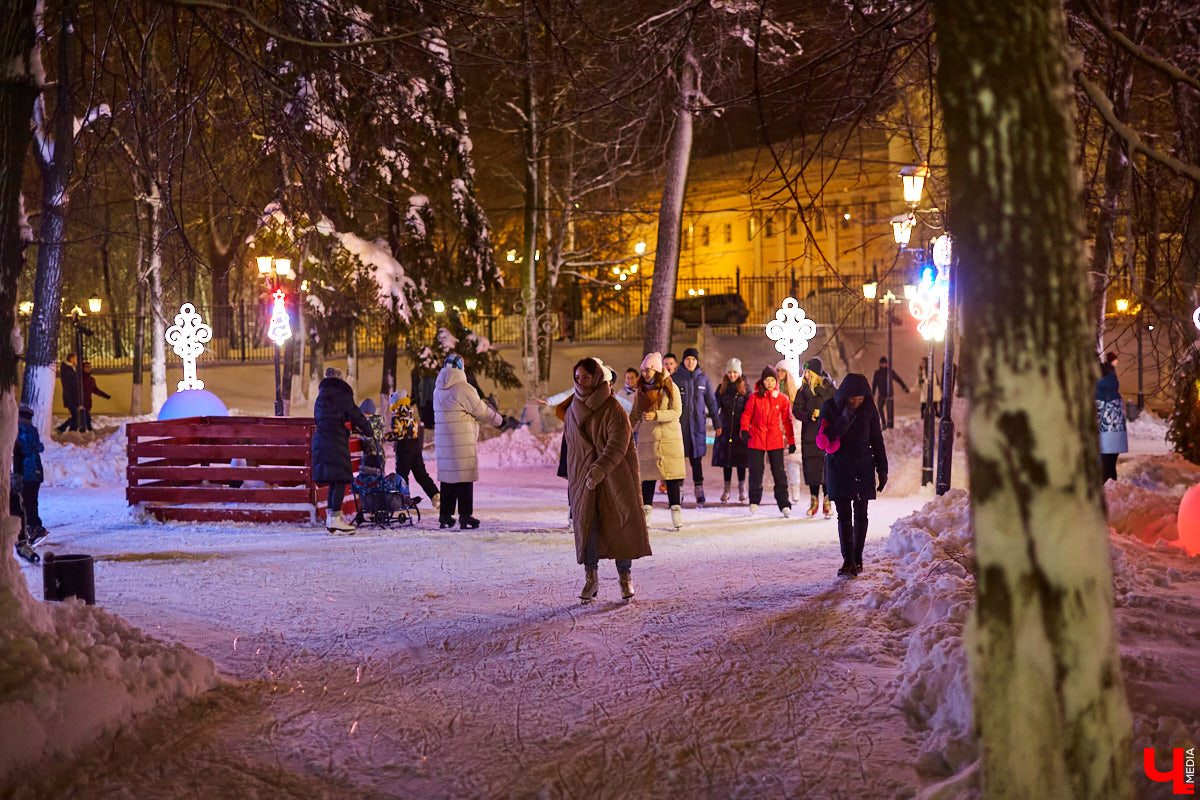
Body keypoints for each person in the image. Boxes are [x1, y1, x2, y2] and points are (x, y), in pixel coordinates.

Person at [563, 357, 651, 602]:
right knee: (588, 526)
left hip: (614, 476)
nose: (582, 382)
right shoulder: (572, 408)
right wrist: (576, 477)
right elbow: (570, 446)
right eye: (578, 377)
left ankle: (625, 577)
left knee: (620, 523)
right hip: (585, 479)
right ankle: (591, 579)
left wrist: (601, 468)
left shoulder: (613, 408)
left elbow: (618, 443)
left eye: (587, 377)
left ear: (598, 378)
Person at [817, 373, 888, 577]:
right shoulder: (830, 407)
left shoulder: (869, 409)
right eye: (853, 399)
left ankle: (857, 558)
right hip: (839, 468)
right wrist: (844, 419)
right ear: (845, 395)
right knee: (844, 516)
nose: (857, 402)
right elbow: (825, 438)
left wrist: (882, 469)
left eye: (861, 398)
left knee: (862, 514)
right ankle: (847, 560)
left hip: (862, 467)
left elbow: (877, 439)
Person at [433, 353, 504, 529]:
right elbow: (481, 410)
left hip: (444, 441)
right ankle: (465, 516)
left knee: (448, 478)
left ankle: (445, 516)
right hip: (461, 440)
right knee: (464, 478)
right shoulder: (463, 388)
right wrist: (500, 420)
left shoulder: (438, 389)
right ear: (461, 368)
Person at [312, 367, 373, 533]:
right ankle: (335, 519)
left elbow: (325, 418)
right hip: (334, 440)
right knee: (339, 478)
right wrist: (370, 430)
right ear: (340, 380)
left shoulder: (321, 397)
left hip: (321, 439)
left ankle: (332, 517)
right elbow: (356, 414)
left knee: (334, 479)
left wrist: (343, 430)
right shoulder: (342, 395)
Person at [630, 352, 686, 530]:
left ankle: (676, 513)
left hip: (670, 438)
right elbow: (635, 414)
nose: (645, 373)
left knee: (672, 478)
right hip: (648, 438)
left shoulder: (670, 387)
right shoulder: (641, 391)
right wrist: (626, 429)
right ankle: (646, 513)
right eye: (643, 370)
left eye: (649, 370)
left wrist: (656, 415)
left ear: (656, 370)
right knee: (648, 478)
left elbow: (677, 411)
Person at [740, 366, 795, 517]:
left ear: (776, 381)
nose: (769, 383)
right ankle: (754, 501)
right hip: (756, 439)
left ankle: (784, 503)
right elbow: (746, 414)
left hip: (775, 440)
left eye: (772, 380)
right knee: (756, 472)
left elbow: (787, 421)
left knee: (779, 472)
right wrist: (744, 430)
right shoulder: (754, 398)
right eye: (766, 380)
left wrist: (791, 441)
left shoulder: (782, 399)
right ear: (762, 381)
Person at [674, 347, 721, 506]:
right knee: (678, 460)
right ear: (683, 361)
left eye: (693, 360)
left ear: (696, 361)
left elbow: (712, 403)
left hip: (697, 427)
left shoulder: (703, 379)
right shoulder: (675, 378)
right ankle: (677, 491)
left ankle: (699, 490)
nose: (690, 362)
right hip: (679, 428)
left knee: (696, 460)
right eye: (688, 359)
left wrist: (717, 422)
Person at [794, 357, 836, 518]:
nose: (806, 375)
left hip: (825, 435)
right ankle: (813, 501)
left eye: (808, 372)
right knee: (811, 469)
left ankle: (827, 500)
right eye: (805, 372)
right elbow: (796, 409)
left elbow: (837, 409)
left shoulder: (829, 390)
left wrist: (823, 415)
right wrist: (808, 415)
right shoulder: (803, 390)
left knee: (826, 469)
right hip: (809, 435)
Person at [388, 390, 440, 508]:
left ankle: (403, 500)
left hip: (404, 447)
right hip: (416, 446)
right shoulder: (411, 413)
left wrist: (386, 437)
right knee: (421, 474)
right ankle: (435, 495)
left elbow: (398, 434)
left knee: (402, 476)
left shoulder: (397, 416)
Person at [712, 358, 750, 503]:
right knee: (726, 460)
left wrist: (746, 427)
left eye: (735, 372)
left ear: (739, 373)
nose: (732, 375)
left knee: (740, 460)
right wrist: (718, 424)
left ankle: (742, 488)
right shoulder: (722, 388)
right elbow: (715, 406)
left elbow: (749, 408)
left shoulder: (745, 388)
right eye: (730, 372)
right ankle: (726, 489)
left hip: (740, 429)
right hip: (726, 427)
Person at [15, 404, 46, 546]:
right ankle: (34, 528)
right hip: (36, 472)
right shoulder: (32, 430)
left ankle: (33, 529)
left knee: (23, 503)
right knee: (32, 500)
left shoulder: (16, 431)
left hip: (24, 472)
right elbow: (39, 447)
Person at [775, 359, 804, 503]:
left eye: (782, 371)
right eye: (778, 370)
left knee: (793, 462)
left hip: (792, 429)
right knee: (779, 463)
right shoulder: (774, 388)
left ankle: (795, 489)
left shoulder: (794, 390)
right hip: (777, 428)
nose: (779, 373)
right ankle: (783, 491)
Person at [1097, 353, 1127, 483]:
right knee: (1110, 469)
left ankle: (1107, 495)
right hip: (1116, 437)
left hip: (1104, 438)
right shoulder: (1114, 392)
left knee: (1104, 471)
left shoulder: (1097, 393)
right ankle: (1111, 491)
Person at [871, 356, 909, 429]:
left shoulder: (890, 372)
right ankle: (884, 423)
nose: (883, 365)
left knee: (889, 409)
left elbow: (898, 379)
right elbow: (874, 383)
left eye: (885, 363)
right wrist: (873, 393)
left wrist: (904, 387)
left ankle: (890, 423)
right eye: (882, 363)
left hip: (889, 393)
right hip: (881, 393)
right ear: (880, 364)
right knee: (880, 408)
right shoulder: (877, 373)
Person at [78, 360, 110, 432]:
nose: (89, 369)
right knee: (85, 418)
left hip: (88, 402)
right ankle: (88, 430)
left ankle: (84, 431)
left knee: (83, 418)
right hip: (80, 401)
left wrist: (105, 395)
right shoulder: (79, 379)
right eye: (87, 367)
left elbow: (95, 390)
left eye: (90, 367)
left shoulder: (91, 380)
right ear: (82, 368)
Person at [57, 354, 80, 433]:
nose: (77, 361)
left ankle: (69, 430)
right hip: (70, 396)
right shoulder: (67, 370)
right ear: (71, 359)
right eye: (76, 359)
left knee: (76, 415)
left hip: (74, 396)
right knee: (76, 415)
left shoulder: (72, 368)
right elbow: (69, 384)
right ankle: (64, 429)